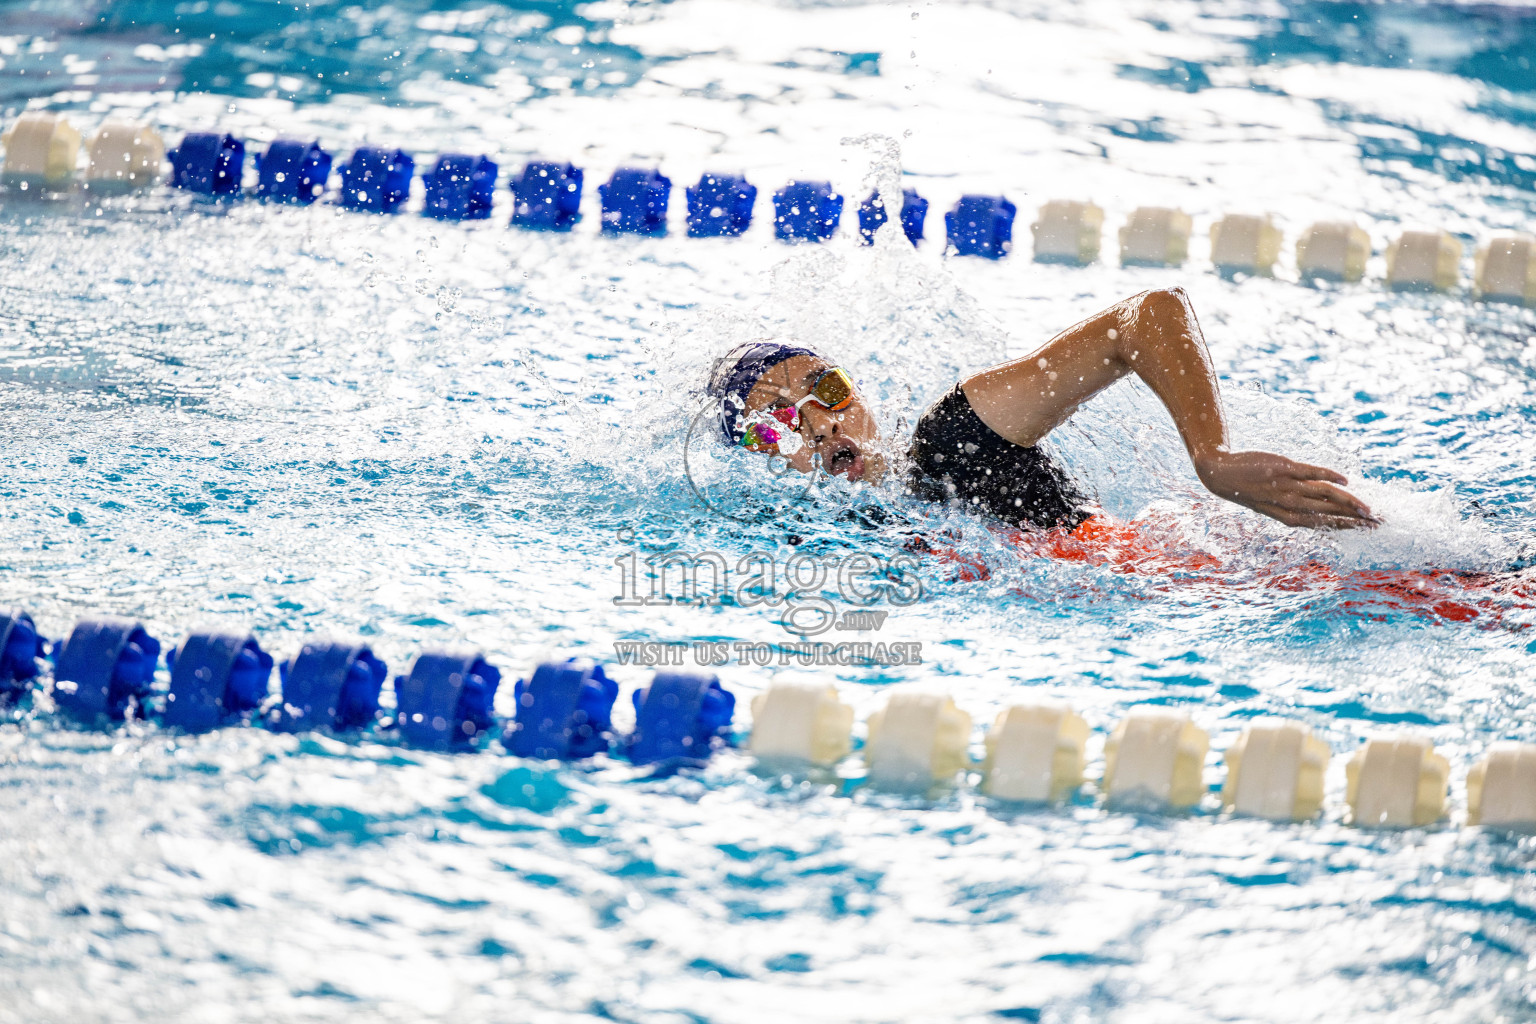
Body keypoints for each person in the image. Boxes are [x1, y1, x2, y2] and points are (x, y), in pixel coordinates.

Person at [707, 287, 1379, 533]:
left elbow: (1144, 319)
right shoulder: (811, 549)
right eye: (776, 422)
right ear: (754, 458)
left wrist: (1212, 458)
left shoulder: (952, 442)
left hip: (1226, 582)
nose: (819, 423)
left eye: (823, 390)